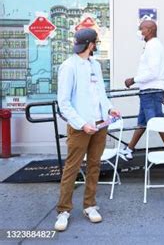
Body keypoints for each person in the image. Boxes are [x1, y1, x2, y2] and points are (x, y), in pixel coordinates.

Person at [55, 28, 121, 231]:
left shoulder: (95, 65)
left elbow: (101, 93)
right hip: (80, 127)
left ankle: (90, 205)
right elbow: (63, 102)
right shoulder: (69, 66)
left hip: (100, 123)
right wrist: (82, 124)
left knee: (94, 166)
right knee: (72, 168)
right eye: (95, 43)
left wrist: (109, 108)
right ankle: (63, 210)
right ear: (91, 44)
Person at [120, 20, 164, 161]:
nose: (139, 31)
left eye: (141, 28)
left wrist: (133, 80)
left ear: (149, 30)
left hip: (150, 91)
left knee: (156, 121)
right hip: (150, 90)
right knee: (143, 122)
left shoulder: (153, 46)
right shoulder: (153, 45)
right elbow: (160, 72)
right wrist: (162, 89)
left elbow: (153, 72)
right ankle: (129, 149)